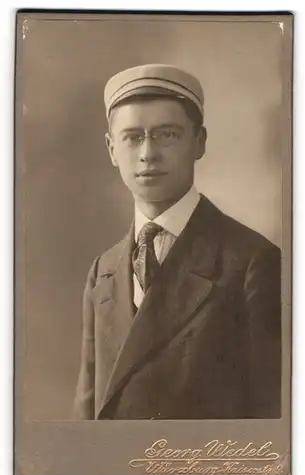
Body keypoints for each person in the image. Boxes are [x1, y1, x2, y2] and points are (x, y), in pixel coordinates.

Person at [73, 64, 281, 420]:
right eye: (132, 137)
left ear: (199, 142)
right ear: (111, 149)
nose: (148, 153)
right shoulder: (103, 271)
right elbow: (87, 413)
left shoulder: (252, 261)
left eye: (167, 135)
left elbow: (271, 418)